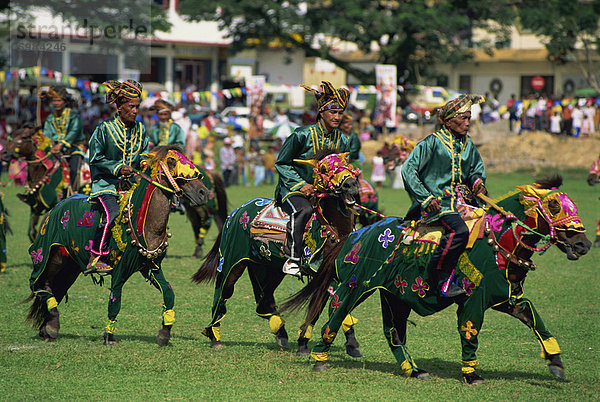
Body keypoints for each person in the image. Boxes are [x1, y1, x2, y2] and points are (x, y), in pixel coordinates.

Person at [401, 94, 488, 297]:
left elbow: (475, 169)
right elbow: (408, 170)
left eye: (469, 118)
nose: (468, 123)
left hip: (465, 202)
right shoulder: (432, 143)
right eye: (463, 118)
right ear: (448, 121)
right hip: (438, 204)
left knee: (491, 226)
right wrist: (426, 198)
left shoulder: (468, 144)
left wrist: (477, 183)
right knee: (460, 232)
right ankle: (438, 278)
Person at [275, 81, 352, 276]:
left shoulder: (342, 139)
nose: (337, 116)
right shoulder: (301, 135)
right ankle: (292, 258)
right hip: (294, 190)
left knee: (347, 213)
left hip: (328, 193)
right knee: (304, 209)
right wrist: (301, 185)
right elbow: (282, 163)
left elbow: (341, 167)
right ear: (322, 113)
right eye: (332, 112)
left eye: (340, 113)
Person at [84, 80, 149, 274]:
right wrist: (118, 168)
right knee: (112, 214)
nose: (135, 111)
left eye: (137, 106)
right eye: (131, 106)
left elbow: (144, 154)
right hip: (106, 184)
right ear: (119, 107)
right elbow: (95, 158)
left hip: (132, 184)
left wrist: (145, 164)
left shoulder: (141, 129)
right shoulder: (104, 129)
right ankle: (96, 257)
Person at [40, 86, 85, 194]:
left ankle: (75, 194)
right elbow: (47, 135)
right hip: (56, 150)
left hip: (74, 147)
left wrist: (61, 145)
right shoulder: (50, 118)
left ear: (65, 102)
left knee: (74, 169)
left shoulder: (74, 116)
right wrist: (48, 144)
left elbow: (74, 132)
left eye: (59, 100)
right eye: (54, 101)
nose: (56, 103)